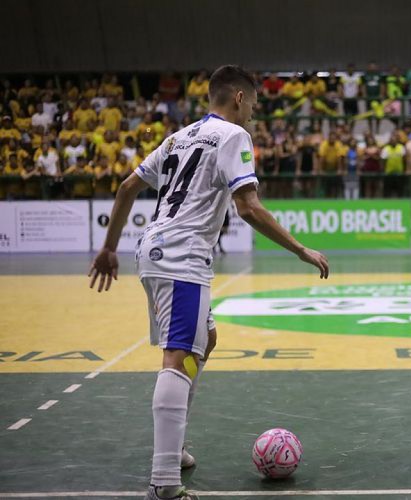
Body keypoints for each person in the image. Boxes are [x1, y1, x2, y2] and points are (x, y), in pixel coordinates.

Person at [87, 66, 330, 500]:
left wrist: (109, 248)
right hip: (182, 259)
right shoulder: (235, 136)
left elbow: (126, 188)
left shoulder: (178, 137)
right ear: (238, 97)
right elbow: (249, 208)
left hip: (153, 251)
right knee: (178, 356)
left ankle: (174, 442)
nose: (254, 111)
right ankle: (164, 481)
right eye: (254, 102)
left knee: (208, 338)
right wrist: (301, 250)